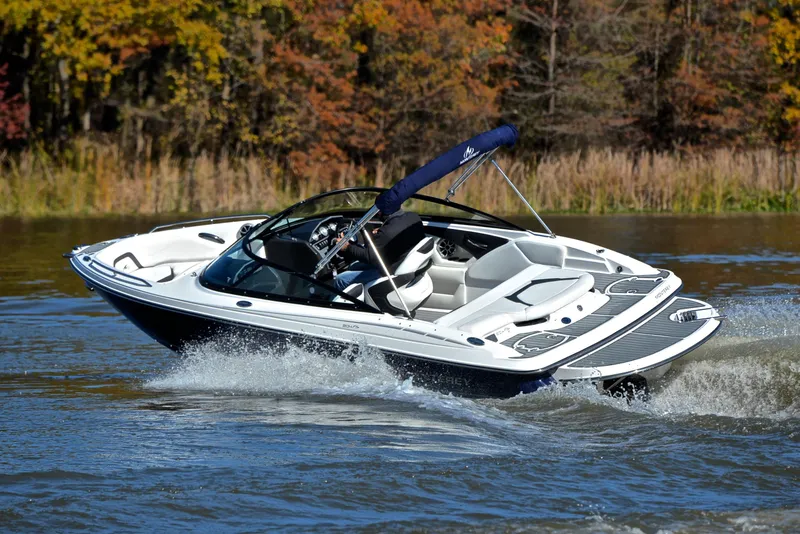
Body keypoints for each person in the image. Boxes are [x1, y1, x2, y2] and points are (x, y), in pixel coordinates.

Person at [332, 209, 424, 293]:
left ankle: (336, 306)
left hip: (389, 272)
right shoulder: (413, 216)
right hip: (398, 261)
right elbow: (392, 236)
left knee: (340, 280)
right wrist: (380, 234)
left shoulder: (388, 232)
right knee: (353, 266)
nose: (378, 213)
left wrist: (347, 247)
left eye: (379, 210)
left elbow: (369, 257)